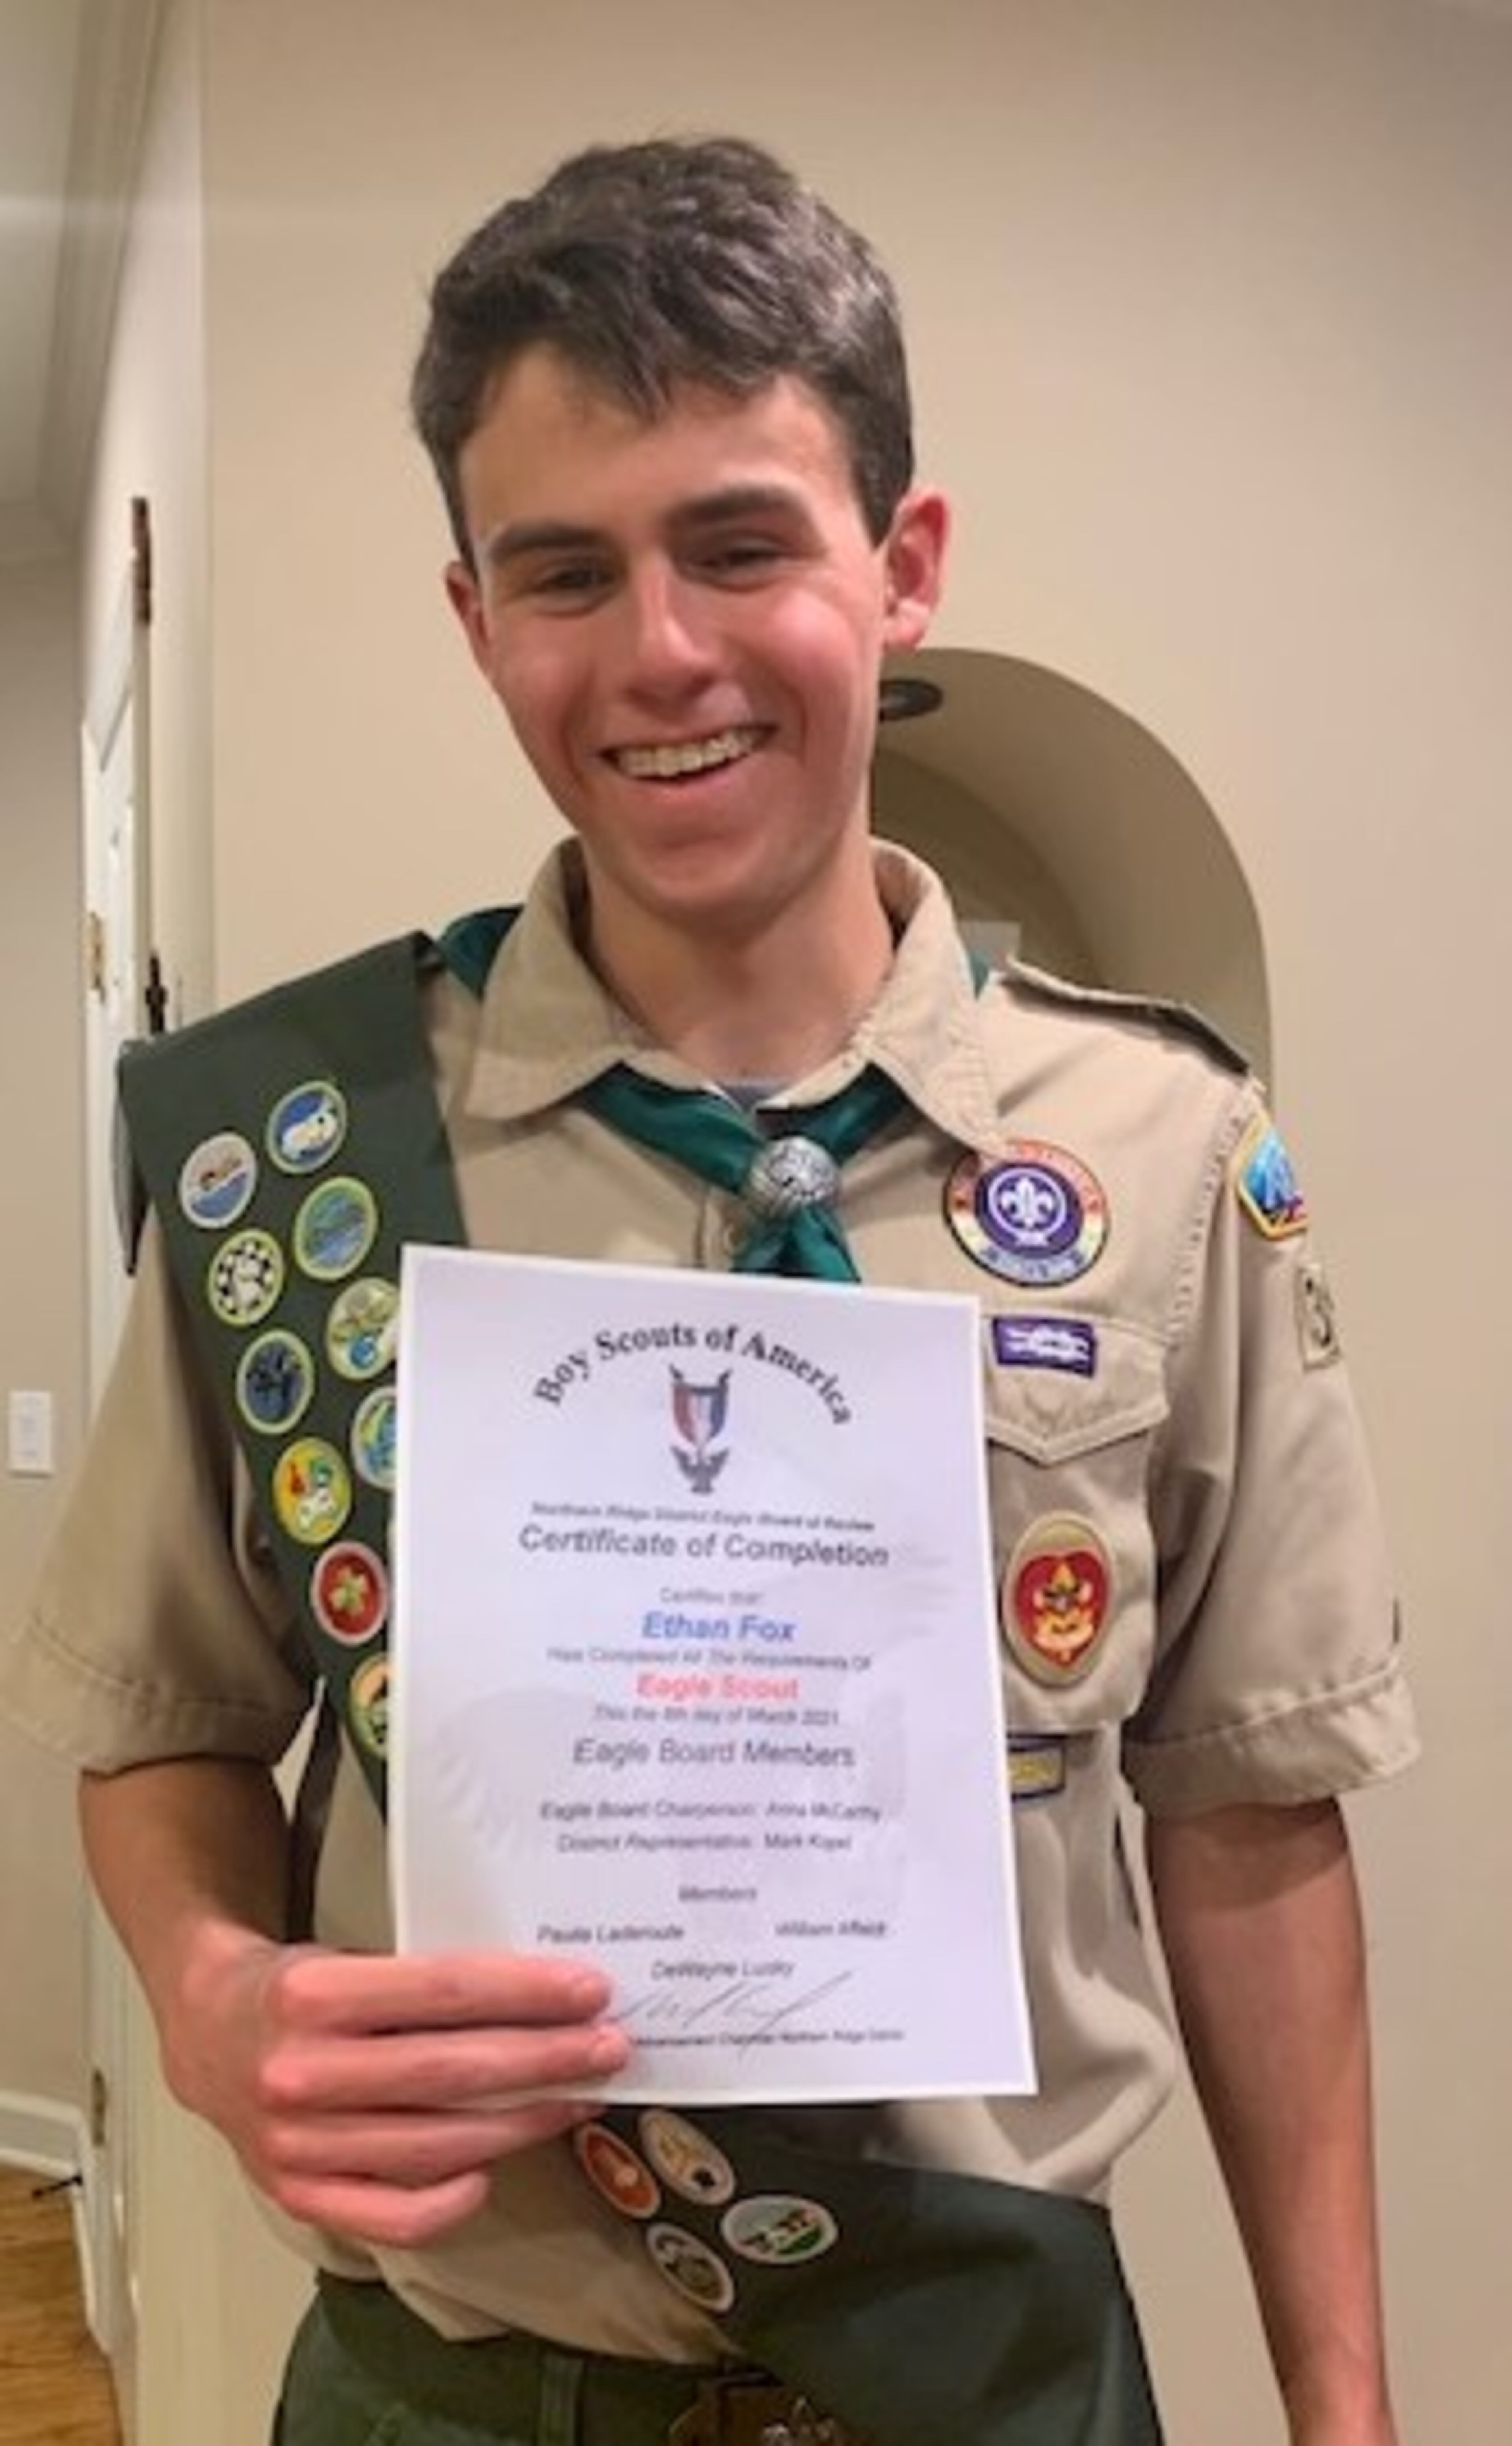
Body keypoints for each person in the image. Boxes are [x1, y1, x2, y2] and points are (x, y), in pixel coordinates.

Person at [0, 136, 1416, 2446]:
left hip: (1001, 2374)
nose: (658, 651)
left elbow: (1252, 1813)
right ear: (477, 620)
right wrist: (204, 1984)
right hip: (451, 2389)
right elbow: (165, 1709)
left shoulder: (1159, 1156)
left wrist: (1345, 2413)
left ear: (904, 563)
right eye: (563, 572)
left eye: (740, 541)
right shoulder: (304, 1157)